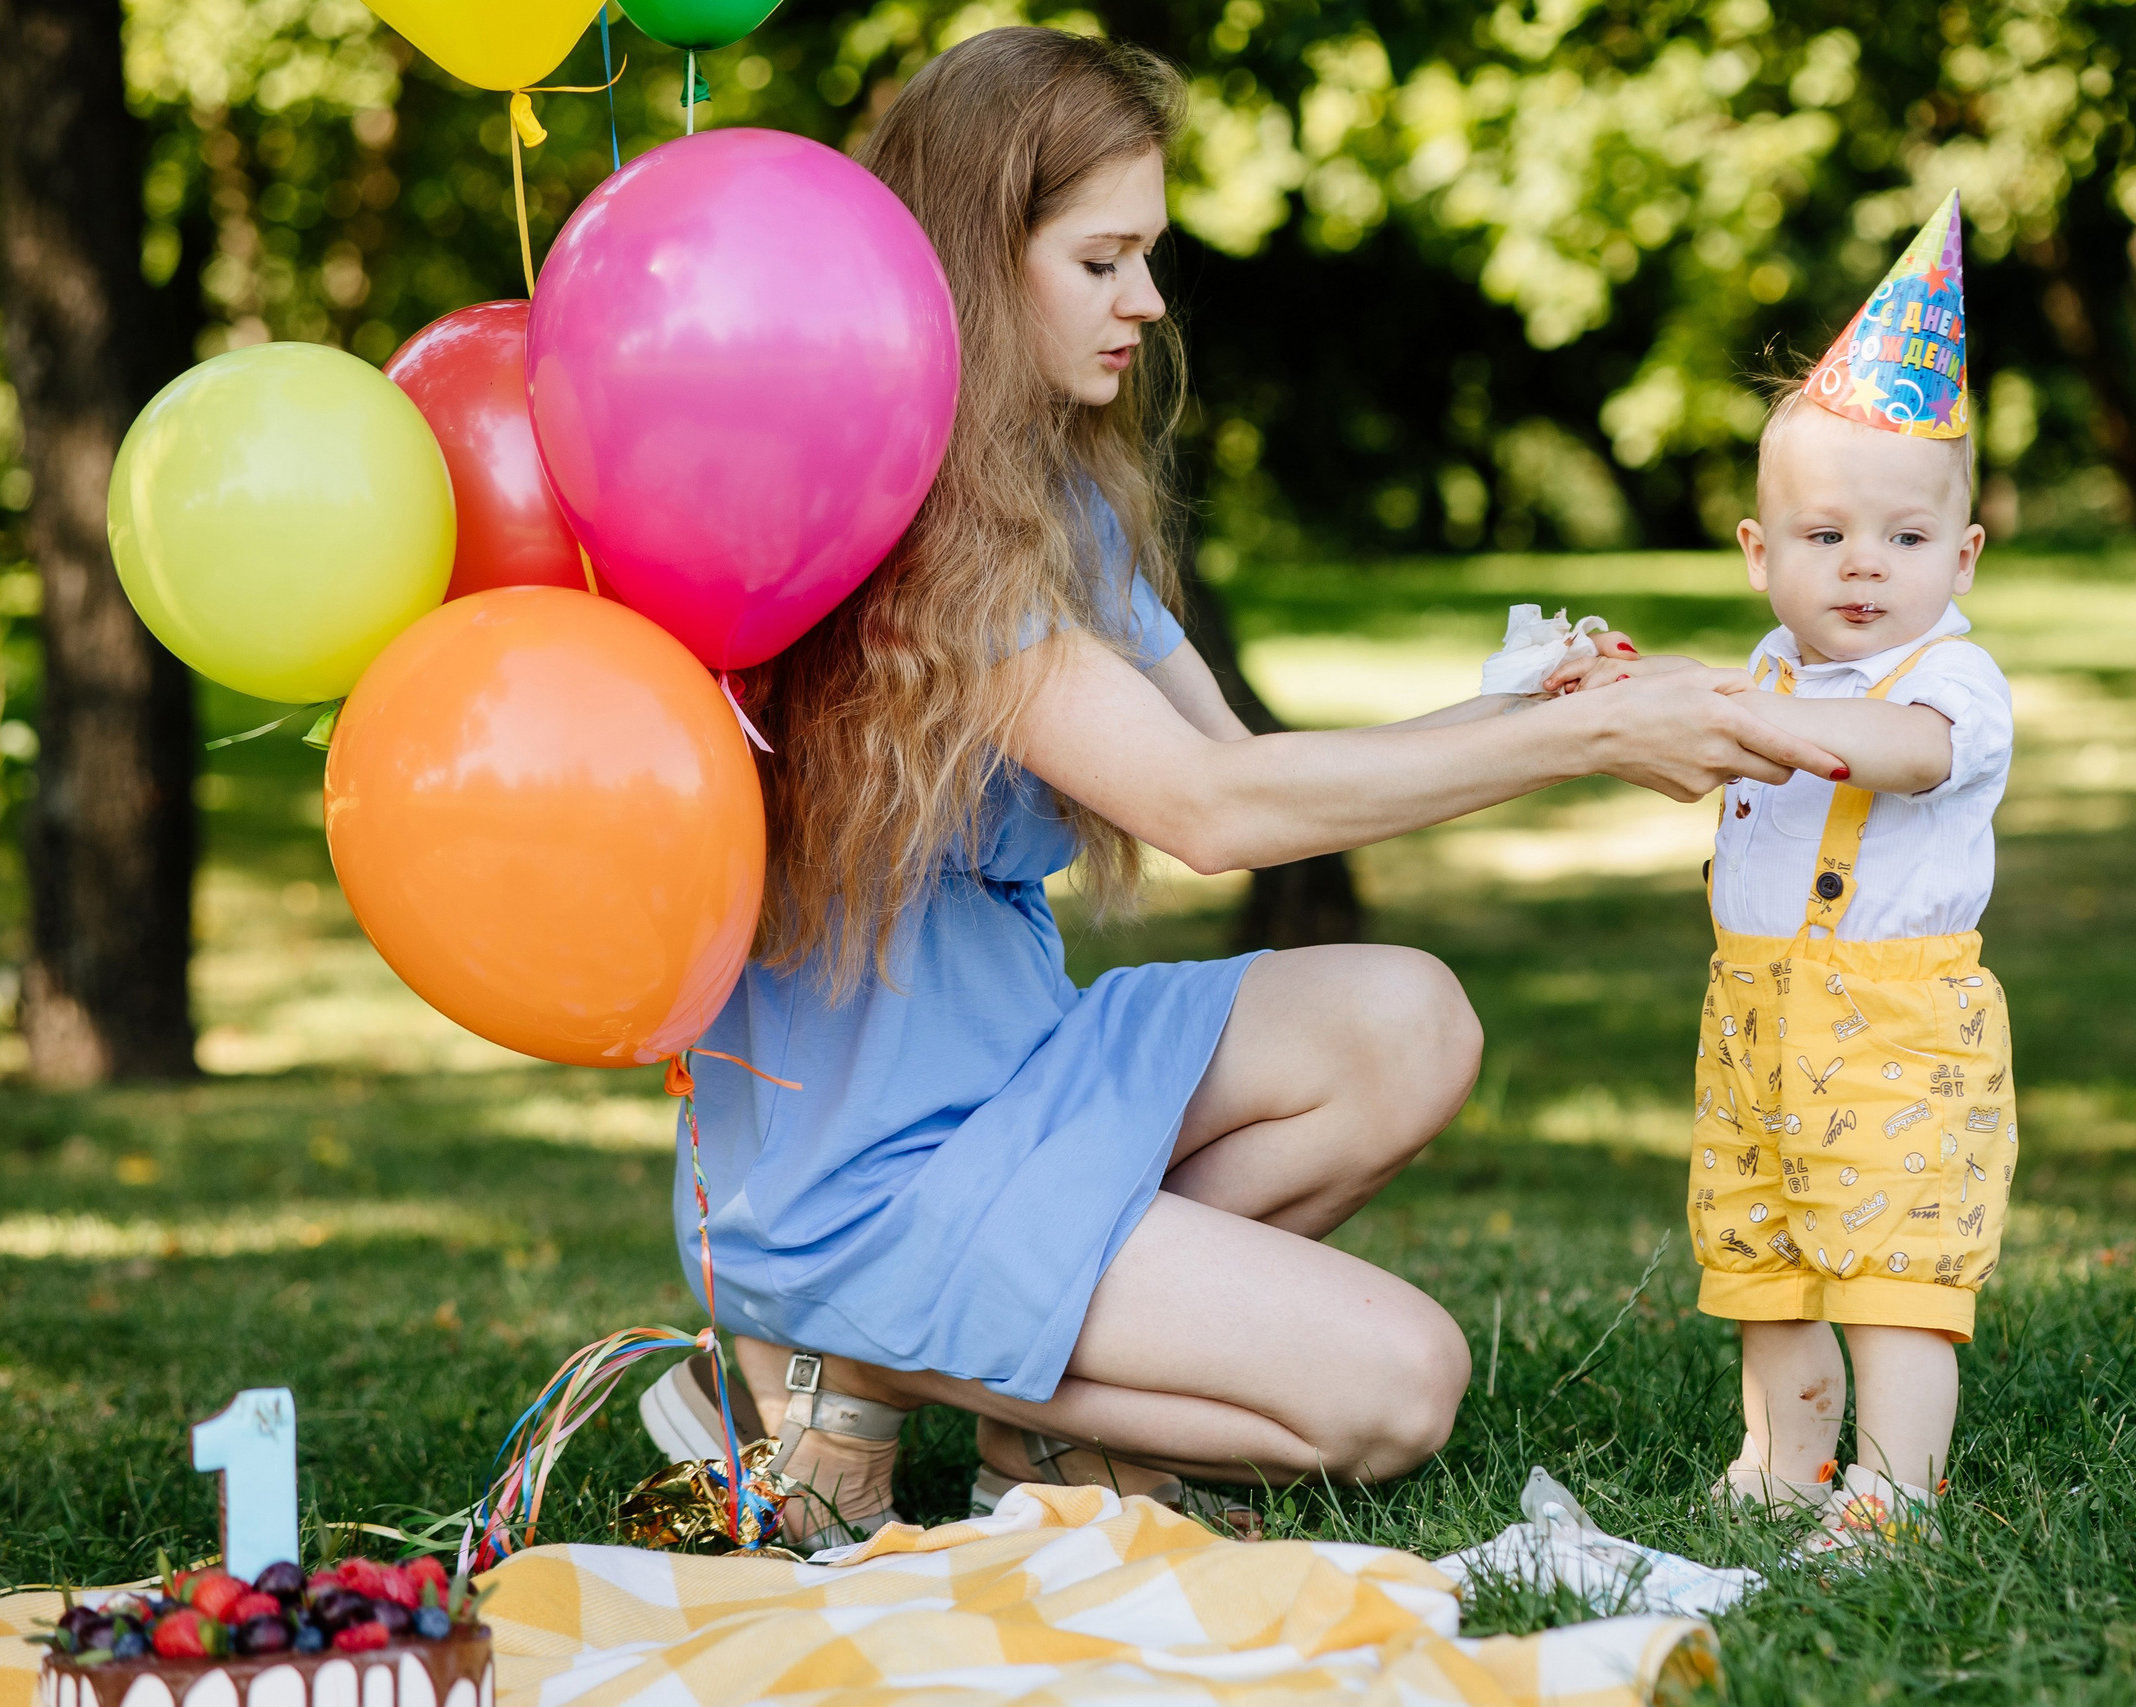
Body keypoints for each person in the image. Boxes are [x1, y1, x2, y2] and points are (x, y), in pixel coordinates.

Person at [634, 25, 1846, 1550]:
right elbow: (1209, 818)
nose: (1147, 299)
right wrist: (1586, 746)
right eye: (1103, 259)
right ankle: (850, 1361)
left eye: (1150, 255)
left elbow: (1241, 760)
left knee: (1407, 1019)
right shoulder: (919, 538)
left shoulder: (1050, 498)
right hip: (874, 1181)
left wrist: (1522, 703)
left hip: (1018, 1085)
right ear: (972, 264)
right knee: (1399, 1388)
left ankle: (1028, 1426)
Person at [1558, 192, 2013, 1555]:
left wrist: (1779, 724)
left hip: (1897, 1027)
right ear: (1763, 555)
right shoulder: (1770, 674)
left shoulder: (1952, 682)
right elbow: (1703, 721)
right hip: (1753, 1017)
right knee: (1761, 1242)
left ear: (1963, 552)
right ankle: (1781, 1449)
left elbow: (1901, 754)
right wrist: (1622, 685)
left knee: (1892, 1263)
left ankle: (1895, 1488)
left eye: (1906, 539)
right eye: (1824, 538)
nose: (1865, 564)